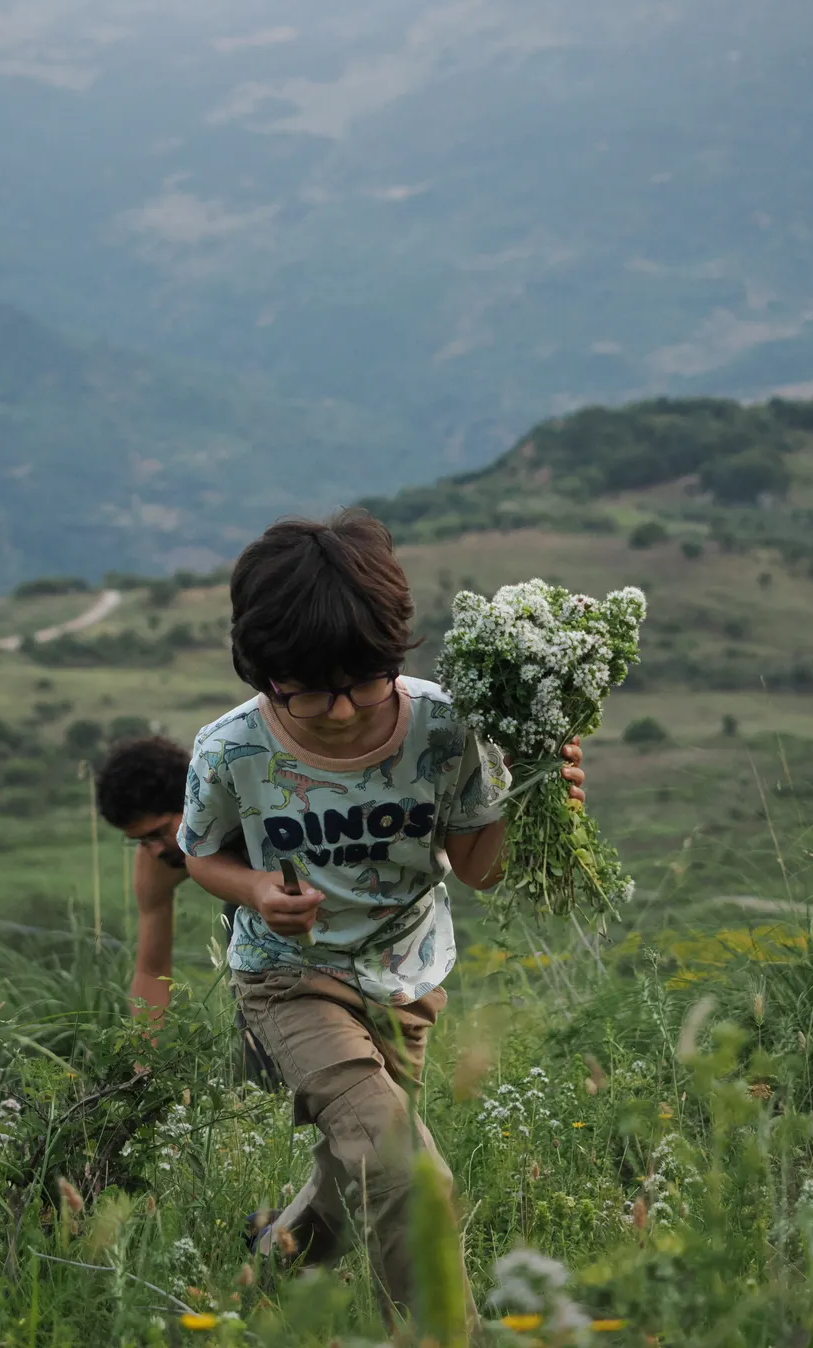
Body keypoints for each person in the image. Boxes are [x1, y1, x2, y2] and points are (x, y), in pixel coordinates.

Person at [177, 511, 585, 1326]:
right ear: (261, 670)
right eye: (304, 689)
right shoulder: (230, 751)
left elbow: (478, 869)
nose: (334, 710)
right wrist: (256, 891)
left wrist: (549, 799)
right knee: (407, 1175)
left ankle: (262, 1281)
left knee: (354, 1163)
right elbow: (199, 855)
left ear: (393, 655)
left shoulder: (443, 727)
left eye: (360, 683)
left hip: (405, 984)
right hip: (286, 982)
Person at [95, 734, 279, 1087]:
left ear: (193, 797)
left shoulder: (251, 803)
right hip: (248, 910)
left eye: (159, 832)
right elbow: (151, 969)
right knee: (264, 1039)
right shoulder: (158, 862)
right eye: (139, 841)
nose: (152, 851)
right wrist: (141, 1064)